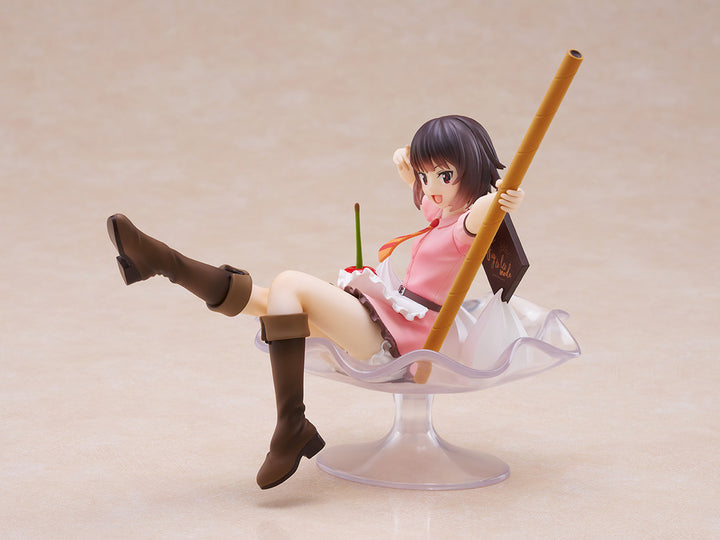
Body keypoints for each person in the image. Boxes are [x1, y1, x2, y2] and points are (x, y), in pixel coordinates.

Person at [106, 115, 524, 489]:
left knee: (290, 284)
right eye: (425, 176)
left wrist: (500, 199)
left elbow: (482, 211)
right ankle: (164, 262)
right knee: (272, 300)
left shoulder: (464, 229)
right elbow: (420, 183)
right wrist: (412, 164)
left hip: (409, 339)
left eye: (445, 176)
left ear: (471, 176)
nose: (430, 187)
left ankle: (290, 425)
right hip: (393, 317)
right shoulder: (441, 214)